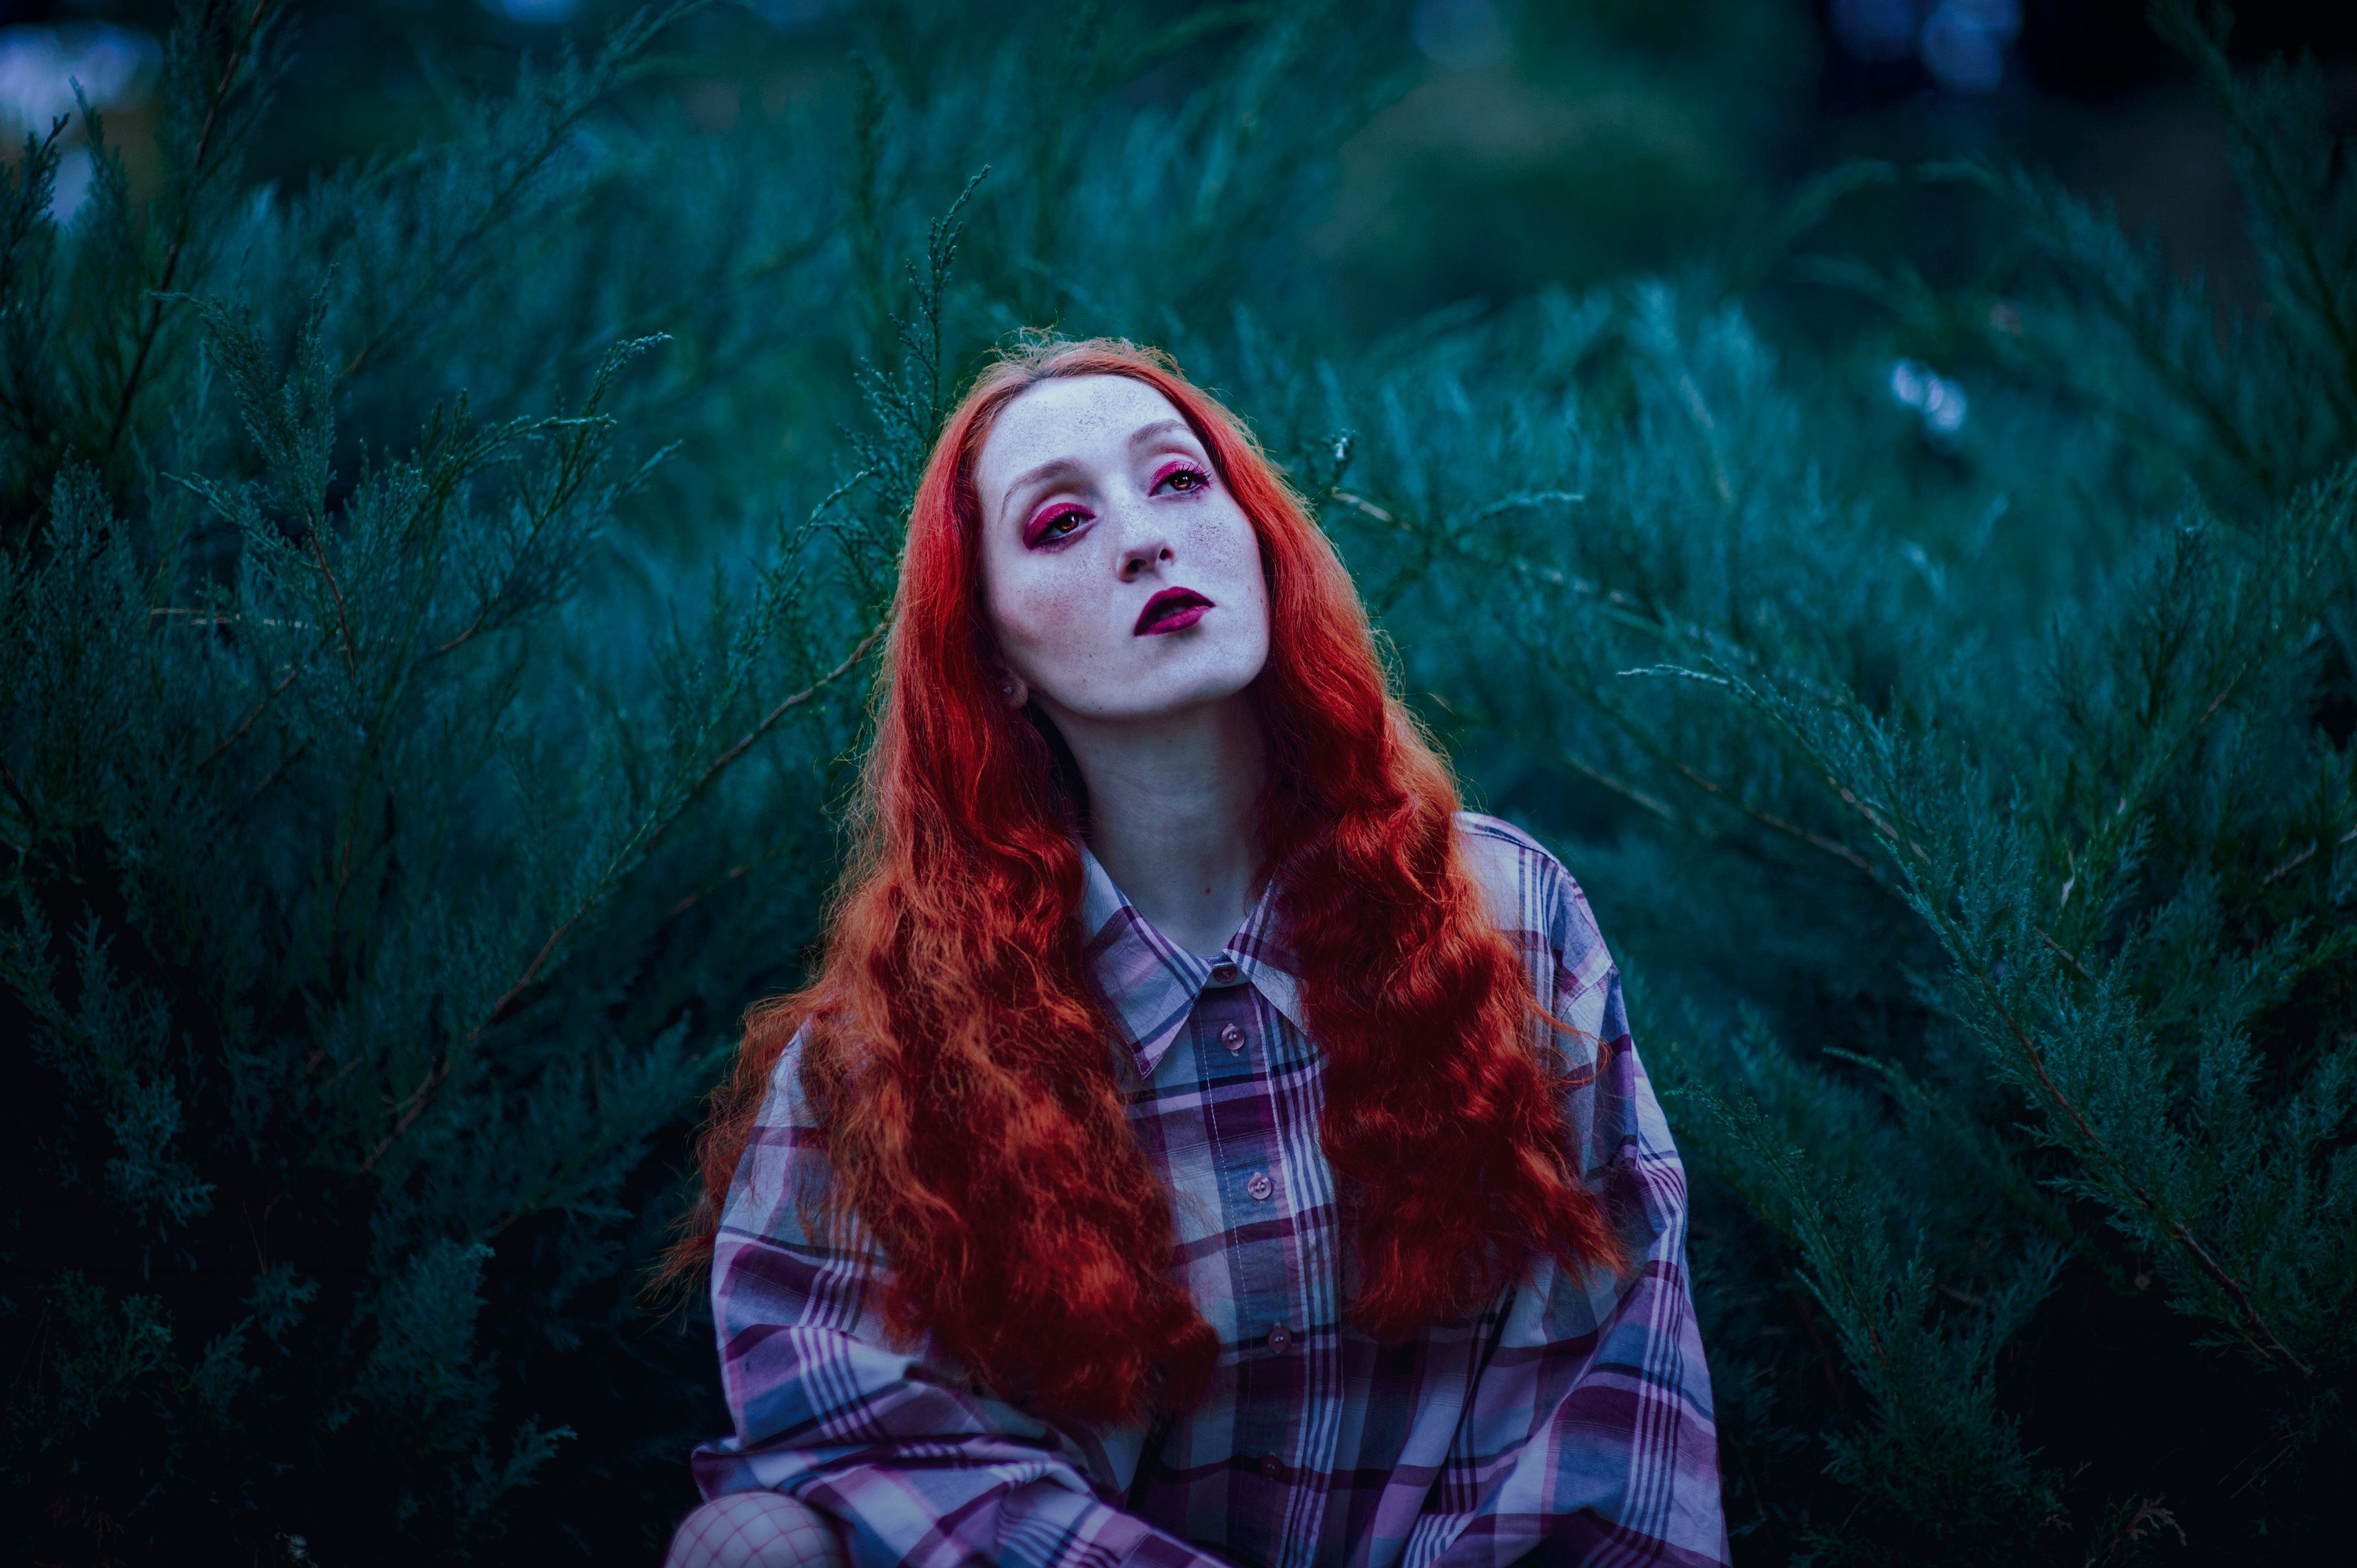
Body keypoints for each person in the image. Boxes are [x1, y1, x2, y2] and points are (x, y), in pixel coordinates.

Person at [661, 338, 1727, 1568]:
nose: (1143, 539)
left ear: (1259, 543)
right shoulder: (894, 1047)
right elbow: (861, 1434)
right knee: (746, 1544)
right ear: (994, 658)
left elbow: (1604, 1380)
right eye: (1060, 523)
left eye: (1177, 483)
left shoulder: (1502, 915)